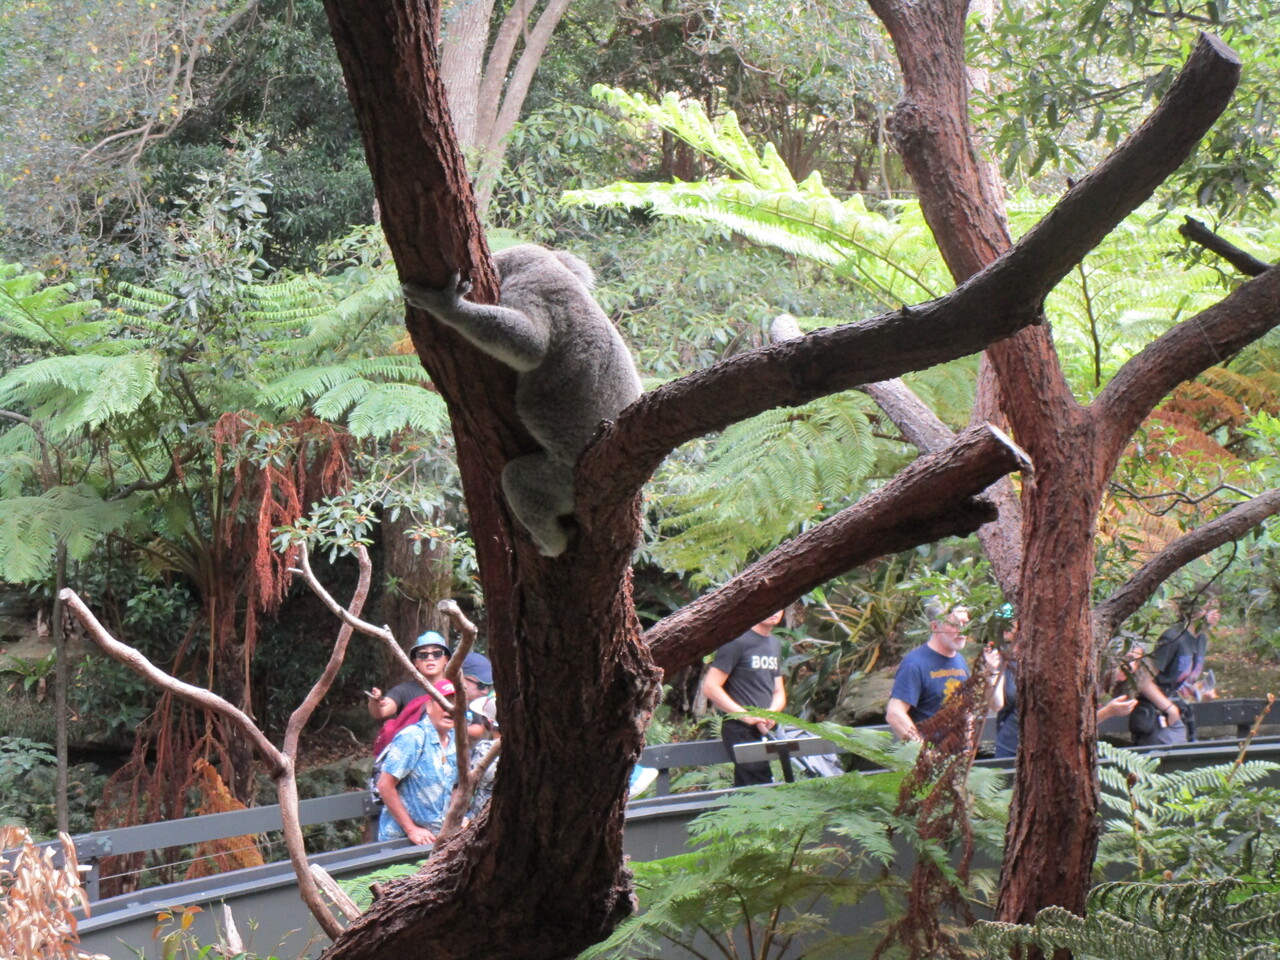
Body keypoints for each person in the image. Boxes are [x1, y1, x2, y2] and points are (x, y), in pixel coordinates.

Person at [886, 601, 994, 743]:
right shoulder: (915, 664)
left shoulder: (960, 660)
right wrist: (924, 753)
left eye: (965, 623)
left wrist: (967, 743)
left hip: (957, 756)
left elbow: (968, 708)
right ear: (935, 626)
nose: (962, 631)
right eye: (954, 625)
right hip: (928, 757)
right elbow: (894, 713)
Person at [702, 611, 787, 786]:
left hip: (767, 728)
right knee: (756, 784)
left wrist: (772, 714)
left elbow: (779, 692)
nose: (775, 611)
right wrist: (745, 716)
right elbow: (710, 686)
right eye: (770, 606)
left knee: (764, 784)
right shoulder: (737, 641)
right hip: (740, 729)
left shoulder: (774, 644)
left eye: (780, 606)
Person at [377, 678, 459, 845]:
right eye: (443, 703)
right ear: (429, 706)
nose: (450, 709)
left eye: (456, 704)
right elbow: (385, 785)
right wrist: (411, 829)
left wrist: (457, 818)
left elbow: (457, 786)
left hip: (439, 840)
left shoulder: (456, 741)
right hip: (403, 840)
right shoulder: (413, 736)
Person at [1129, 596, 1217, 746]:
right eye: (1207, 609)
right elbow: (1143, 680)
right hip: (1157, 717)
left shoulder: (1201, 639)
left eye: (1216, 609)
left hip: (1181, 715)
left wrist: (1201, 691)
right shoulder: (1173, 637)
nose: (1214, 614)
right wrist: (1170, 710)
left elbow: (1181, 681)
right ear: (1192, 610)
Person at [367, 631, 451, 721]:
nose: (430, 658)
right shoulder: (403, 691)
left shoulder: (457, 690)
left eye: (437, 653)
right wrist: (376, 702)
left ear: (446, 659)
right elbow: (382, 711)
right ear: (415, 662)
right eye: (423, 655)